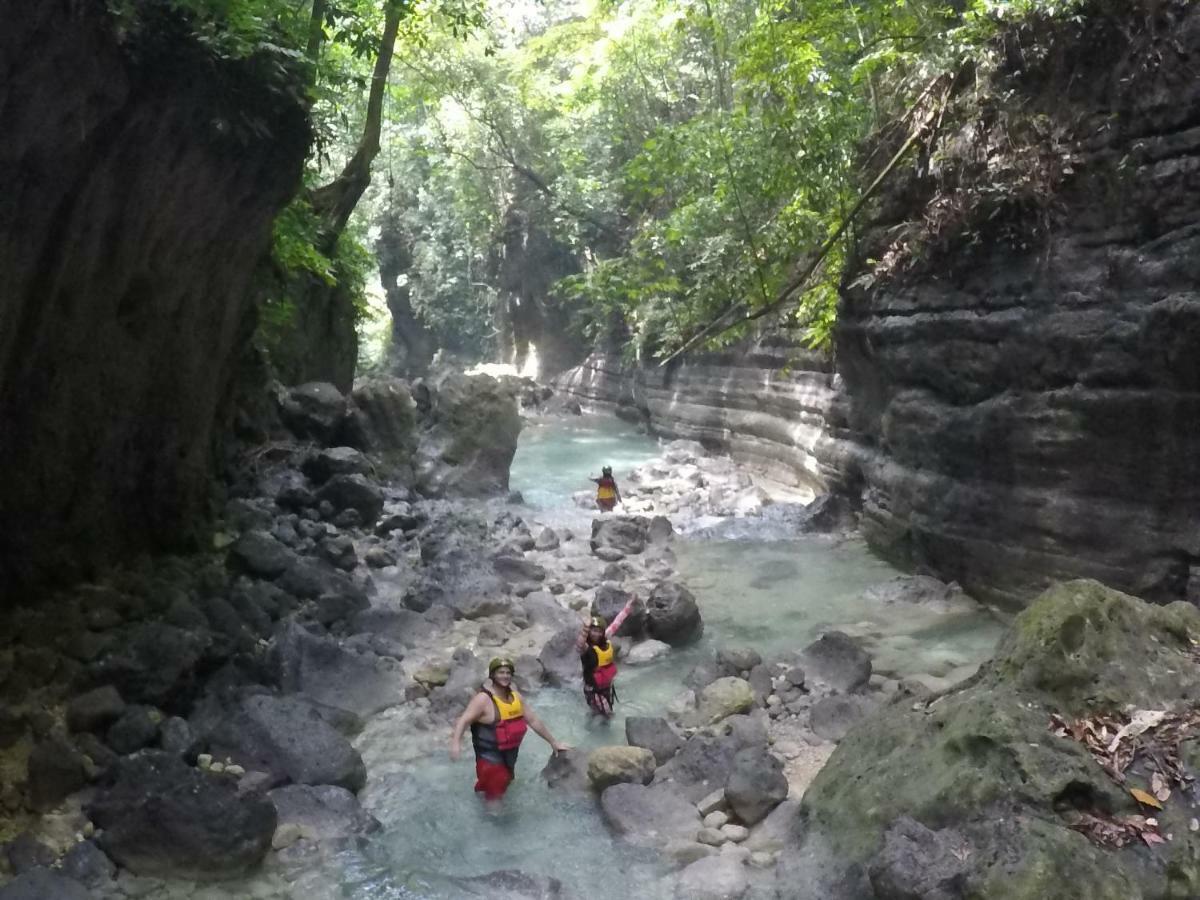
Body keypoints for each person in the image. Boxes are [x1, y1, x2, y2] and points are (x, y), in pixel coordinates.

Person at [449, 657, 570, 802]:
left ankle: (484, 797)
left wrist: (553, 742)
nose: (505, 676)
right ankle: (496, 820)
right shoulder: (483, 699)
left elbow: (533, 720)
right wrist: (456, 744)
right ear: (493, 675)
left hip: (510, 755)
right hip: (489, 757)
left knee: (502, 786)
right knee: (495, 796)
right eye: (501, 672)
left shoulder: (516, 697)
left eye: (508, 673)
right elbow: (464, 720)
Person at [576, 595, 637, 716]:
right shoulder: (587, 647)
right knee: (608, 714)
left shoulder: (605, 638)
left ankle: (593, 725)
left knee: (600, 713)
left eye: (599, 631)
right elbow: (580, 644)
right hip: (593, 689)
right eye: (593, 631)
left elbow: (616, 623)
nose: (596, 634)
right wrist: (585, 629)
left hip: (606, 686)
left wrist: (628, 607)